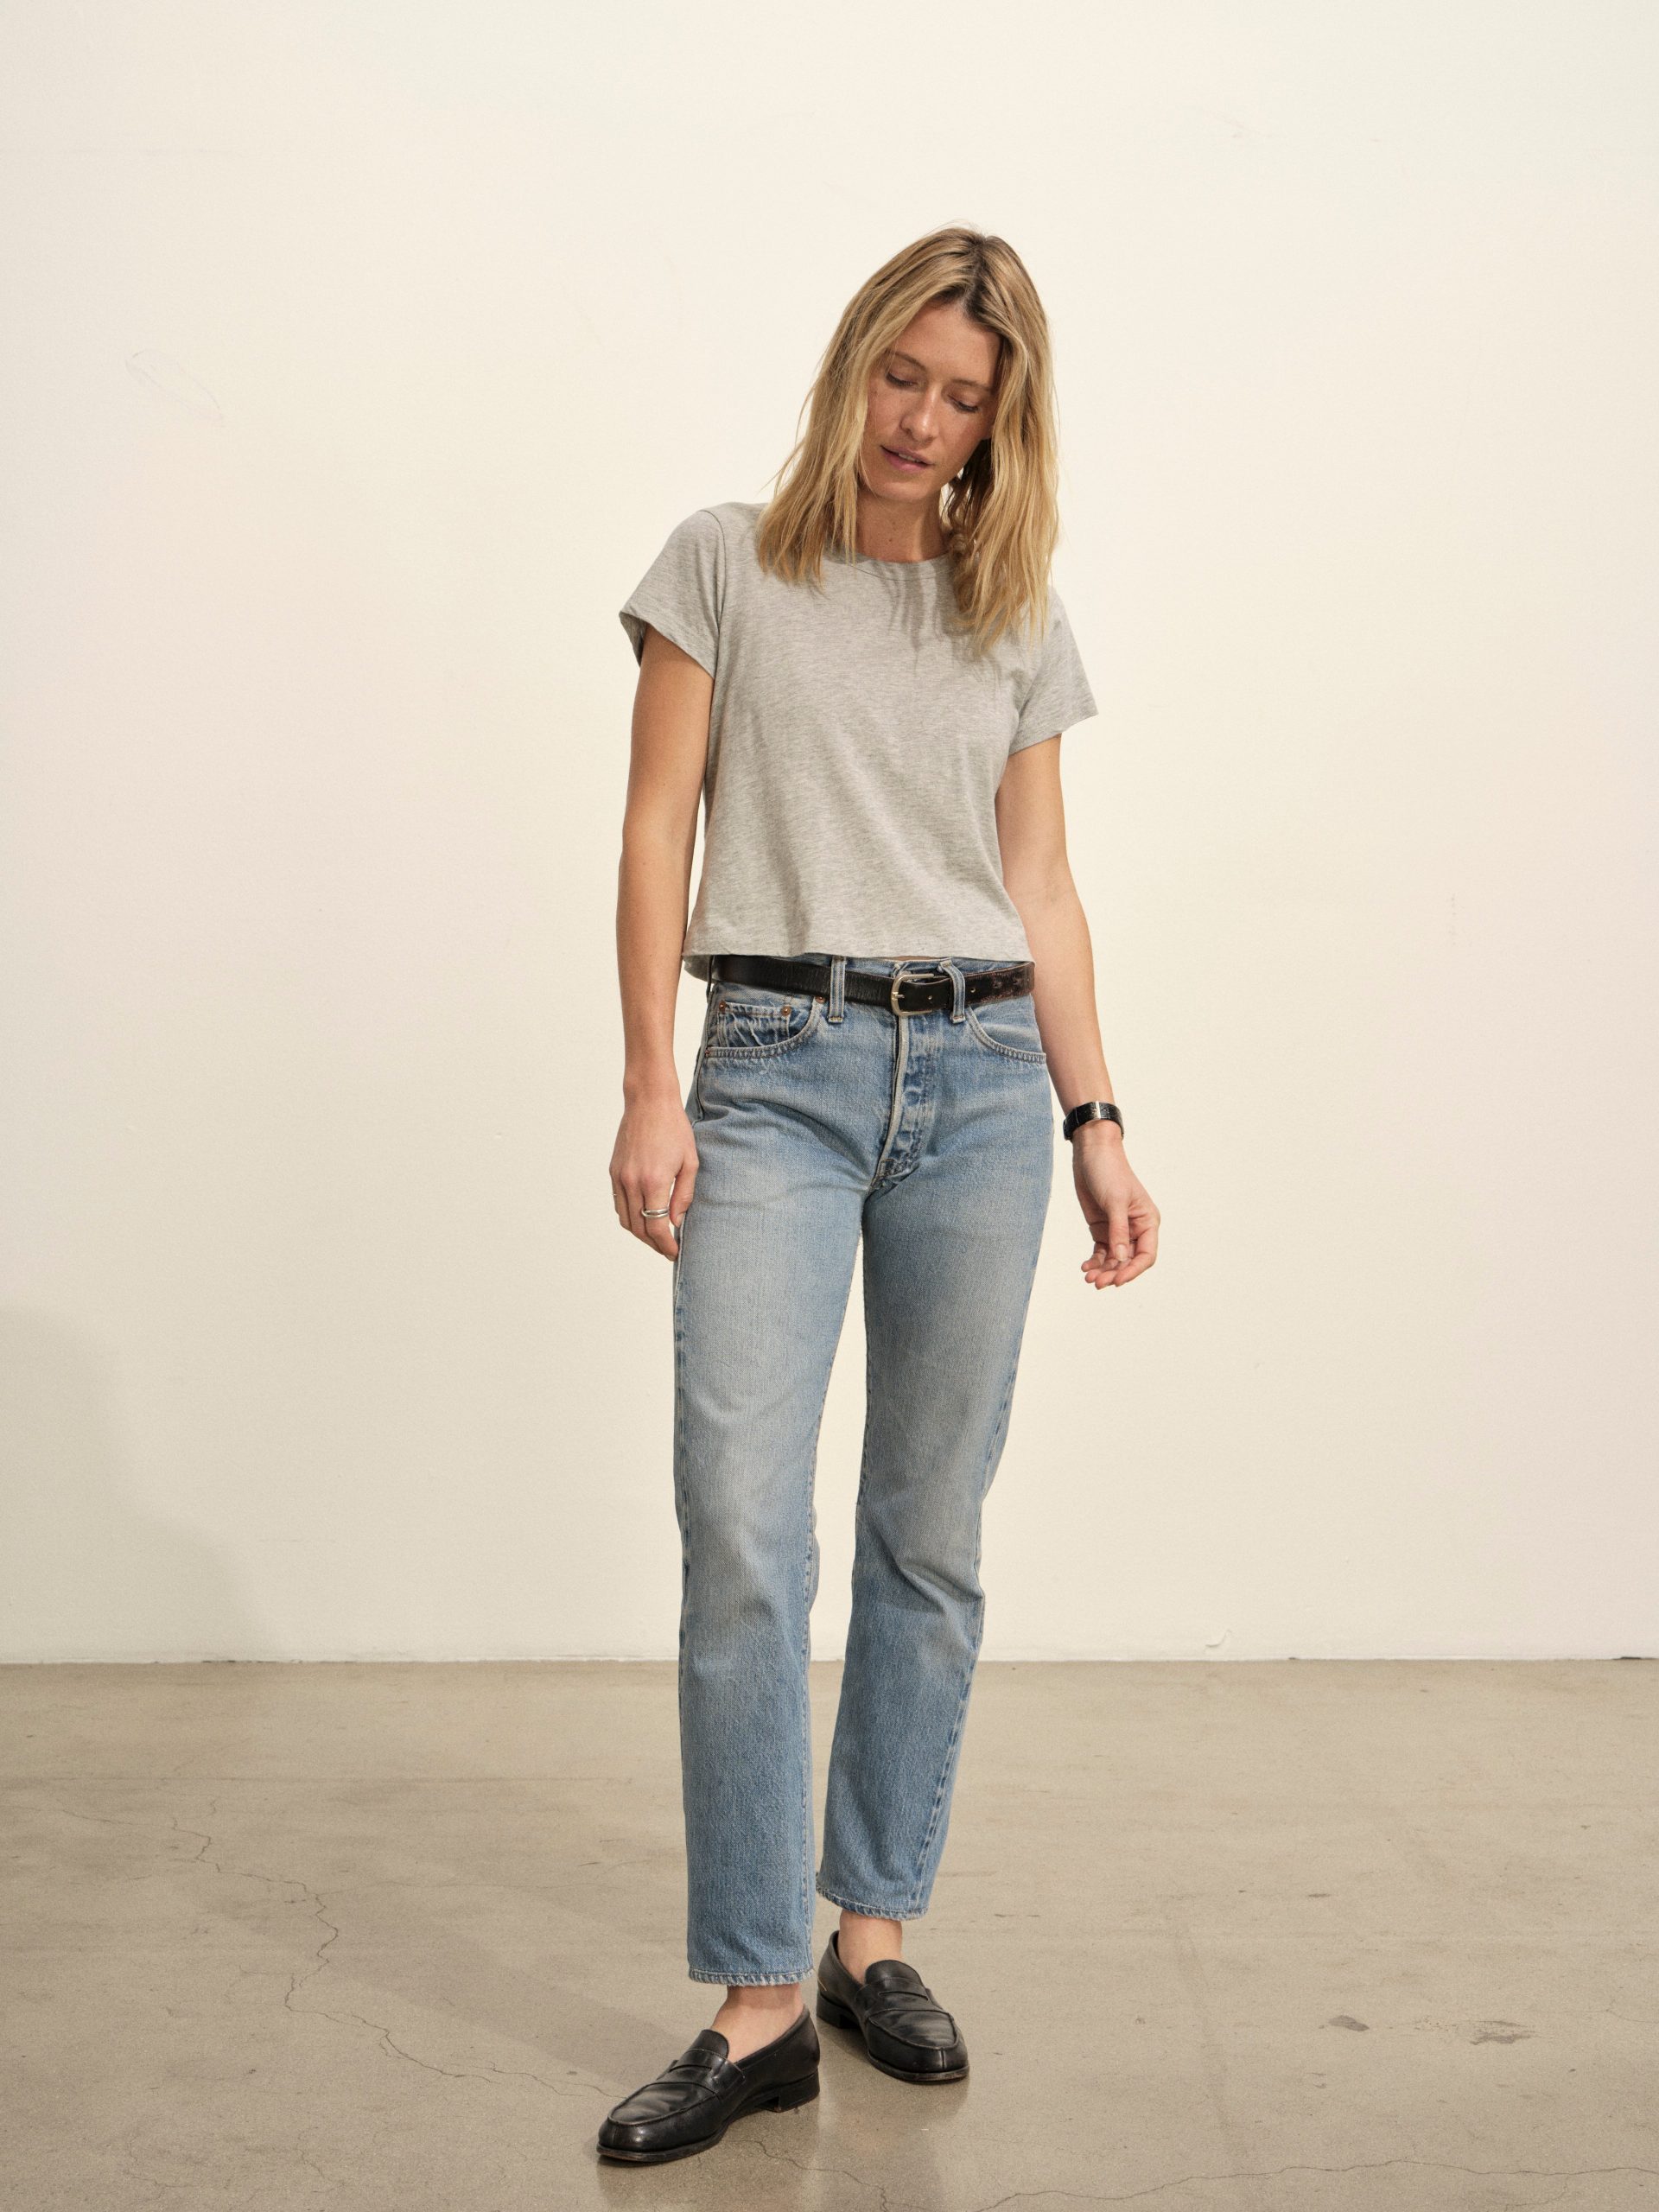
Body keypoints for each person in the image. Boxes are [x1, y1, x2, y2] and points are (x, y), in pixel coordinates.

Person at [598, 226, 1160, 2165]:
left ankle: (872, 1935)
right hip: (772, 1067)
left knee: (931, 1528)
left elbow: (1043, 885)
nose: (925, 421)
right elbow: (656, 830)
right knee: (743, 1531)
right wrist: (650, 1084)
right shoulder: (722, 563)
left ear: (1007, 422)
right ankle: (758, 1998)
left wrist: (1097, 1118)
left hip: (988, 1082)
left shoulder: (1015, 612)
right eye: (906, 376)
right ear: (856, 365)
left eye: (967, 397)